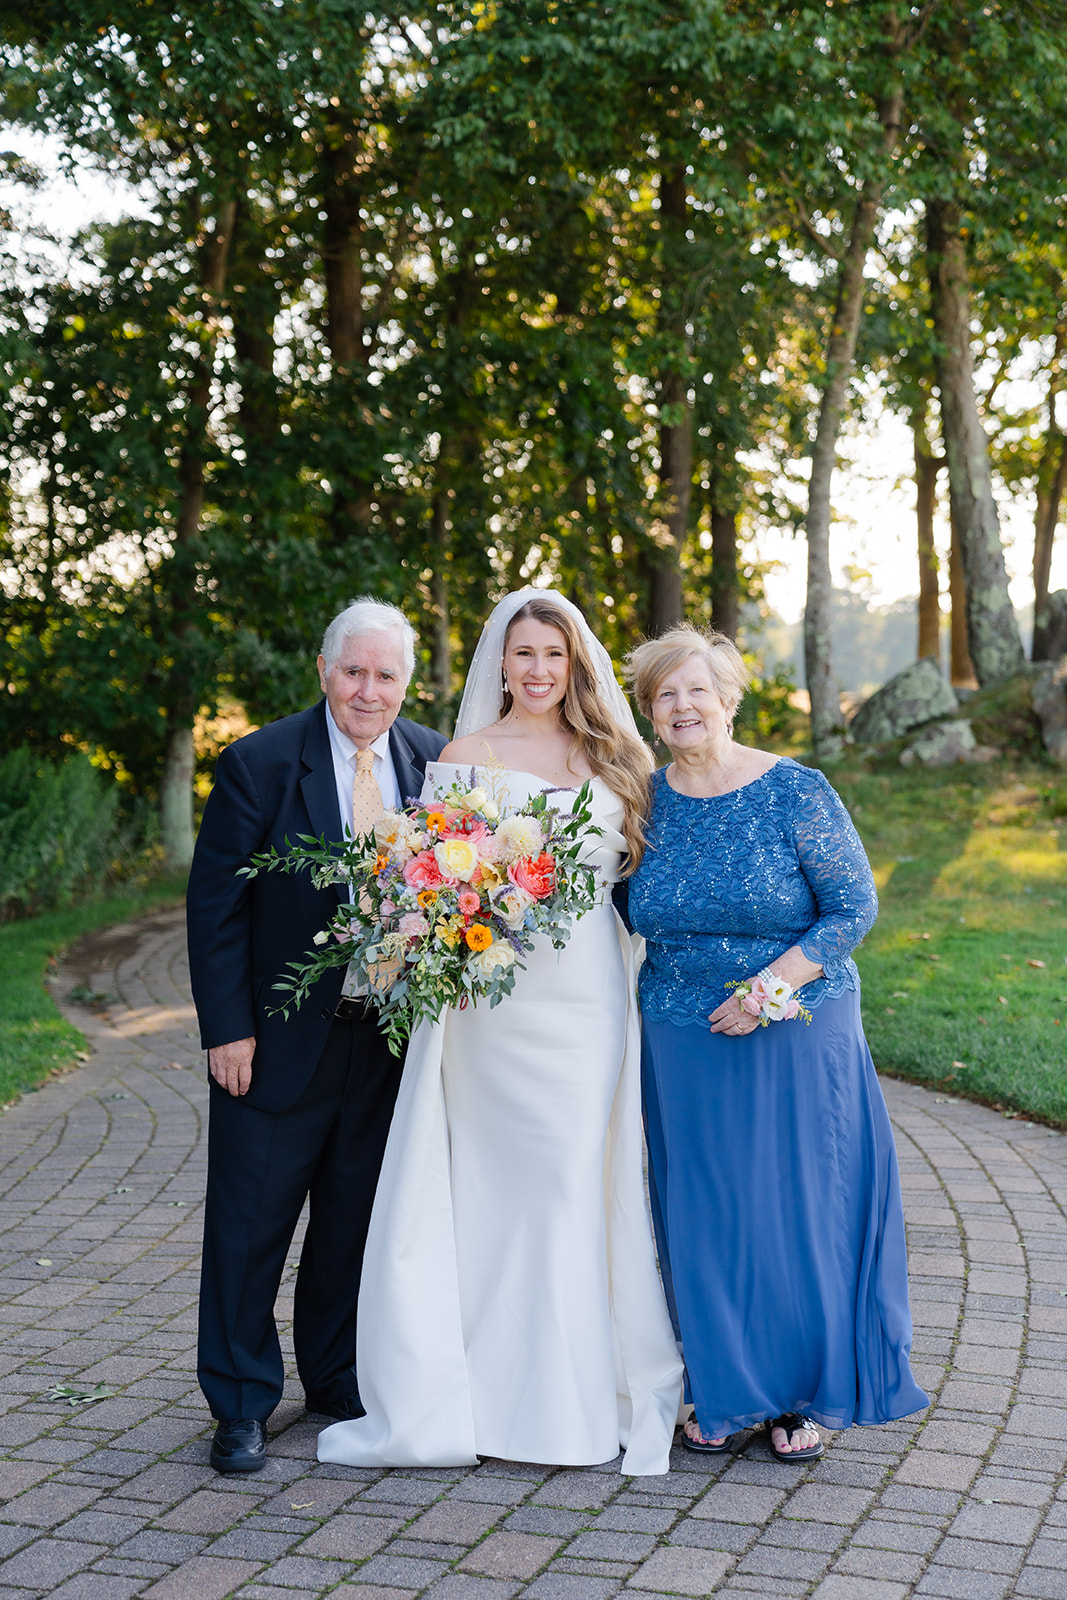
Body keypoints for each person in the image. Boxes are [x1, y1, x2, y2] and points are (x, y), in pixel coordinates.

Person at [316, 589, 684, 1476]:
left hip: (586, 1000)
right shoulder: (464, 757)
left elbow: (650, 878)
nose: (538, 670)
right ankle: (477, 1394)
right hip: (491, 1006)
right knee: (488, 1191)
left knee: (568, 1187)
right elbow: (432, 877)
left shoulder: (617, 757)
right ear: (500, 661)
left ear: (577, 665)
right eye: (523, 653)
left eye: (554, 655)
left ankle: (566, 1405)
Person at [624, 624, 928, 1462]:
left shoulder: (794, 789)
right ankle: (724, 1389)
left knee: (796, 1209)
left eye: (696, 690)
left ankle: (807, 1394)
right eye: (664, 694)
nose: (683, 706)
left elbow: (851, 908)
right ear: (649, 712)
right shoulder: (640, 799)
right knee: (706, 1213)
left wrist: (765, 993)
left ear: (728, 698)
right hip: (680, 1035)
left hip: (794, 1022)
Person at [186, 598, 447, 1474]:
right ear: (325, 671)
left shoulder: (432, 761)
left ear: (406, 683)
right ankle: (240, 1402)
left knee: (352, 1223)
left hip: (386, 1042)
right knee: (248, 1227)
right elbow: (216, 908)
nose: (369, 691)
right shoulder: (260, 764)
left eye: (386, 675)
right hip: (277, 1040)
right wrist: (227, 1029)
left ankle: (335, 1381)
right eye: (353, 672)